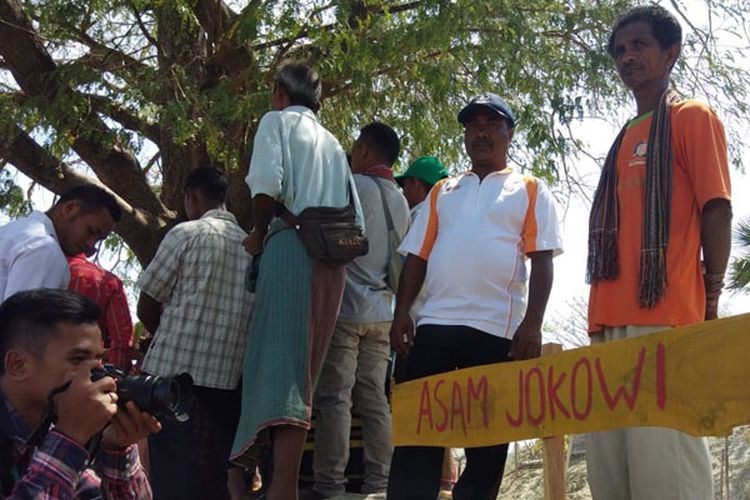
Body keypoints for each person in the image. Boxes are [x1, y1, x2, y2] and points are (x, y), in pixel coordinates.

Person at [585, 6, 732, 500]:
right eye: (621, 50)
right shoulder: (623, 136)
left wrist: (710, 299)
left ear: (670, 53)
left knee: (666, 475)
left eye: (640, 45)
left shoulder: (692, 117)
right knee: (612, 480)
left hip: (665, 318)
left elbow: (717, 209)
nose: (628, 56)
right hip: (607, 322)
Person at [387, 92, 563, 500]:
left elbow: (542, 261)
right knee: (419, 435)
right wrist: (402, 314)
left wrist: (532, 324)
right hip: (434, 326)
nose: (480, 133)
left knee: (486, 443)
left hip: (495, 332)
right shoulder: (443, 191)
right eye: (472, 125)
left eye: (491, 124)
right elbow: (417, 257)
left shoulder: (531, 189)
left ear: (509, 133)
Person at [230, 61, 363, 500]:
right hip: (332, 265)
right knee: (301, 373)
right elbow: (356, 219)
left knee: (277, 368)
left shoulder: (276, 122)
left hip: (292, 250)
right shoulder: (333, 143)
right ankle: (273, 482)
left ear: (279, 93)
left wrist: (256, 232)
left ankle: (276, 487)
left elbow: (266, 186)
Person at [136, 167, 254, 500]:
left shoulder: (185, 234)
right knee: (212, 476)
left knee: (170, 474)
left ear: (193, 197)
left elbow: (147, 304)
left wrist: (165, 334)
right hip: (226, 383)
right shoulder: (252, 247)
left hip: (171, 380)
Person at [309, 123, 410, 499]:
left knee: (336, 397)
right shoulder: (400, 198)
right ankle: (381, 482)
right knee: (375, 399)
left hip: (347, 309)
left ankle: (329, 484)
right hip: (383, 311)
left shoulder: (354, 186)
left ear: (365, 152)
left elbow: (328, 240)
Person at [0, 288, 159, 498]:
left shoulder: (44, 431)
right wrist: (70, 437)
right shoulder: (64, 432)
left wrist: (118, 450)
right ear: (18, 365)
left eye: (98, 361)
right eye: (78, 360)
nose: (97, 375)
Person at [0, 184, 121, 301]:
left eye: (98, 240)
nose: (91, 245)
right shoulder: (46, 250)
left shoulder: (14, 231)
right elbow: (24, 319)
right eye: (91, 231)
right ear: (70, 209)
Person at [68, 253, 134, 371]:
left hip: (35, 371)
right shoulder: (108, 282)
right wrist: (115, 376)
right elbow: (121, 339)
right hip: (84, 373)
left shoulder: (35, 267)